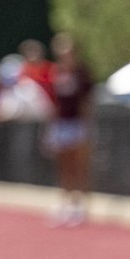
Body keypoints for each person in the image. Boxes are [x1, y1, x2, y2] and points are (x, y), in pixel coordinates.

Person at [45, 31, 94, 225]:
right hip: (61, 124)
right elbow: (54, 102)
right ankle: (65, 203)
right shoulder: (56, 73)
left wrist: (87, 127)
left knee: (79, 165)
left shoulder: (82, 73)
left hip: (78, 123)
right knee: (64, 166)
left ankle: (81, 205)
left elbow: (86, 102)